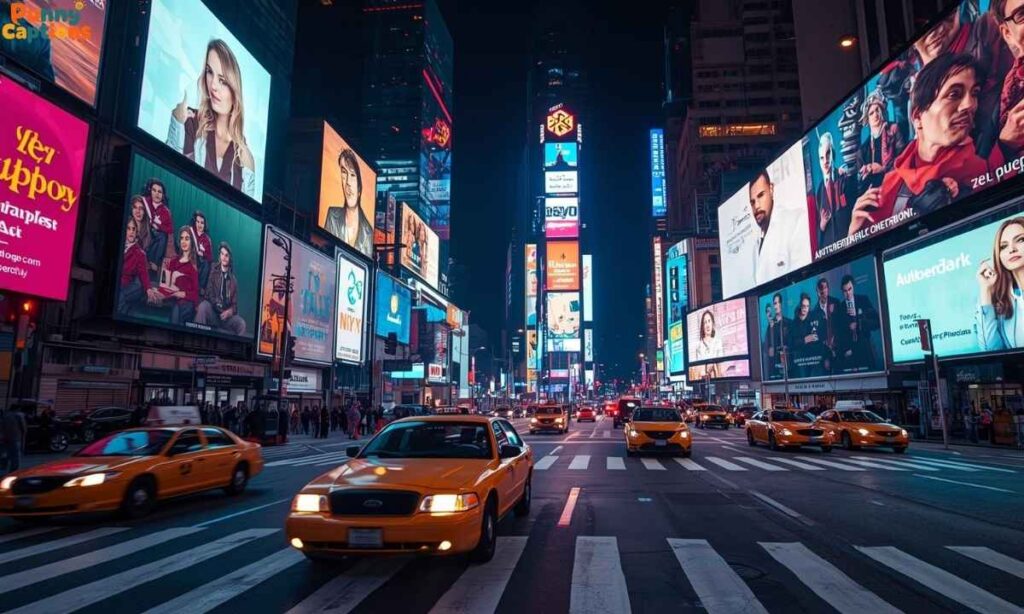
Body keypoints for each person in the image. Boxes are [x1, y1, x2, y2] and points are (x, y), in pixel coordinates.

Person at [851, 54, 992, 235]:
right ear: (917, 117)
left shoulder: (984, 168)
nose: (969, 105)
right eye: (954, 94)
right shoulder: (889, 183)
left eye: (975, 93)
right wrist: (853, 236)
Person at [167, 39, 257, 198]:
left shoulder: (242, 155)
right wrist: (176, 124)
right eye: (209, 72)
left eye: (222, 81)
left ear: (234, 90)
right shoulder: (190, 121)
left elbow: (244, 210)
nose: (213, 86)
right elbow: (169, 174)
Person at [747, 169, 808, 285]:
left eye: (761, 195)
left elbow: (802, 279)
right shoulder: (755, 246)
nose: (757, 206)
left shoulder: (796, 220)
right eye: (752, 202)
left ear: (771, 189)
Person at [976, 216, 1024, 350]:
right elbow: (990, 350)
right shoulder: (1003, 300)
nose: (1012, 249)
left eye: (1020, 240)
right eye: (1003, 246)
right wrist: (985, 290)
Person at [322, 149, 373, 256]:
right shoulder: (332, 215)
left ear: (359, 187)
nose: (348, 183)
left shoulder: (368, 232)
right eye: (344, 173)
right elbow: (324, 252)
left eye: (353, 175)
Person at [146, 226, 200, 324]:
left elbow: (195, 295)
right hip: (172, 298)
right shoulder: (172, 262)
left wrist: (182, 294)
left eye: (187, 238)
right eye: (182, 238)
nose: (183, 241)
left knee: (177, 308)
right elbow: (165, 284)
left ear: (192, 241)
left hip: (186, 302)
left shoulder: (193, 268)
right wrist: (159, 291)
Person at [857, 91, 908, 190]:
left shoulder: (893, 130)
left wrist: (882, 169)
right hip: (874, 193)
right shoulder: (863, 150)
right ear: (867, 119)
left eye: (877, 110)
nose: (875, 114)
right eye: (871, 113)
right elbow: (860, 185)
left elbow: (903, 160)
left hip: (896, 185)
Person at [194, 242, 246, 335]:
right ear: (219, 256)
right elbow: (208, 293)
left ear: (230, 259)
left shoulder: (233, 280)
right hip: (213, 312)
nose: (224, 257)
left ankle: (234, 349)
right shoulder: (213, 270)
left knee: (241, 324)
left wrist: (229, 312)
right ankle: (196, 339)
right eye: (222, 254)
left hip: (226, 318)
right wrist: (217, 304)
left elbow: (235, 306)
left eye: (226, 255)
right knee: (203, 306)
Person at [813, 132, 854, 251]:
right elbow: (817, 233)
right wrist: (822, 224)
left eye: (828, 154)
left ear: (833, 154)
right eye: (821, 158)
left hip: (850, 247)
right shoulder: (819, 191)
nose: (825, 161)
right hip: (831, 255)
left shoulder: (844, 178)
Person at [834, 274, 881, 372]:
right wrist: (845, 350)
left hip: (865, 349)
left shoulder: (863, 300)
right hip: (850, 354)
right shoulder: (840, 308)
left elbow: (877, 323)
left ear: (853, 287)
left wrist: (859, 319)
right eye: (845, 291)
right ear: (842, 291)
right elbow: (839, 332)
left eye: (850, 289)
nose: (848, 293)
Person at [119, 217, 151, 314]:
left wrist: (148, 289)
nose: (131, 232)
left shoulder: (140, 254)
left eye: (133, 229)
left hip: (126, 286)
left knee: (120, 296)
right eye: (128, 228)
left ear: (137, 232)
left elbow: (143, 274)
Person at [142, 178, 175, 269]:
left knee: (162, 236)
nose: (157, 194)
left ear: (163, 195)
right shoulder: (144, 202)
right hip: (144, 232)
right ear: (150, 191)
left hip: (157, 237)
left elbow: (170, 229)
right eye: (154, 190)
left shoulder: (166, 211)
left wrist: (157, 226)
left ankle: (153, 264)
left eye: (160, 192)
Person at [789, 293, 825, 378]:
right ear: (800, 305)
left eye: (807, 306)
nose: (805, 308)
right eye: (803, 306)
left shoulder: (813, 318)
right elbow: (791, 343)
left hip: (814, 358)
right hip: (801, 360)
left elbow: (821, 336)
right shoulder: (794, 324)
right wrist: (804, 340)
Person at [189, 211, 214, 292]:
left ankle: (199, 287)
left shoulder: (207, 239)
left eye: (202, 223)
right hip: (189, 257)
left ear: (205, 224)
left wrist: (202, 254)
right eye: (198, 222)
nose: (199, 225)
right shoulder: (190, 232)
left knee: (206, 264)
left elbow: (210, 257)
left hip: (200, 262)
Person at [1, 407, 27, 474]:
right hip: (15, 437)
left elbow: (2, 426)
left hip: (5, 437)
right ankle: (14, 471)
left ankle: (3, 468)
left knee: (5, 453)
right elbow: (23, 428)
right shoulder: (19, 415)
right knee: (16, 455)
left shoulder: (5, 415)